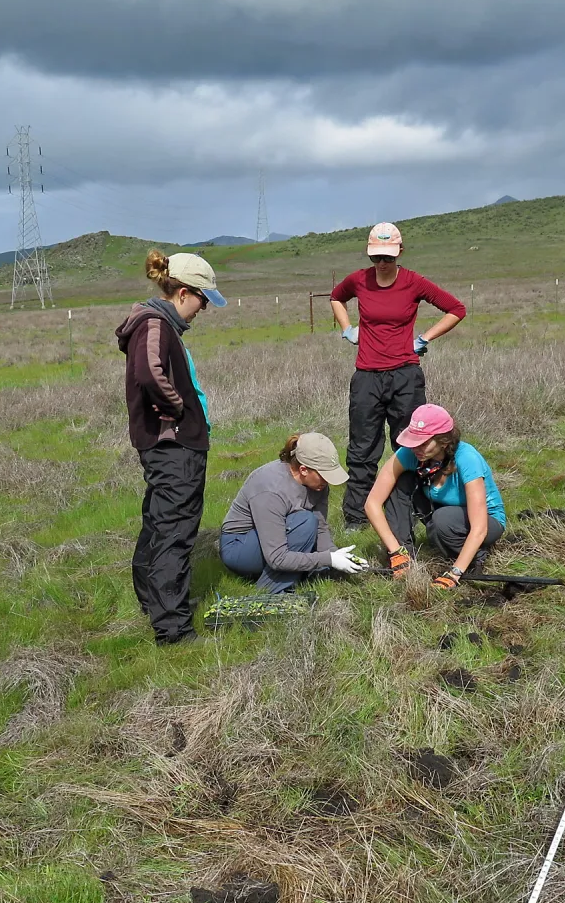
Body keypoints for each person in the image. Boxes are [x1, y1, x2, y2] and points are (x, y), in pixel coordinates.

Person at [116, 249, 226, 645]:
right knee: (175, 533)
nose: (203, 310)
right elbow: (149, 373)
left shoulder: (157, 324)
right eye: (202, 300)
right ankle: (174, 629)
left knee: (159, 524)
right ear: (182, 293)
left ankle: (156, 603)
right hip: (173, 448)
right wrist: (178, 410)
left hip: (172, 447)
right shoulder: (155, 324)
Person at [329, 222, 466, 528]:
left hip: (405, 375)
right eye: (376, 257)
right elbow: (337, 297)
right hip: (367, 376)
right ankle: (356, 518)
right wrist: (347, 329)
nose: (382, 263)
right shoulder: (359, 280)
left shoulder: (413, 282)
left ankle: (419, 511)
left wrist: (425, 338)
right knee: (362, 448)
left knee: (414, 446)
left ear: (399, 252)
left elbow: (456, 309)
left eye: (388, 257)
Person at [364, 404, 506, 591]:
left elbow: (479, 528)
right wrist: (395, 551)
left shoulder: (467, 458)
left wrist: (454, 573)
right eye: (414, 441)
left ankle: (475, 557)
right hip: (441, 513)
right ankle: (406, 557)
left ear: (443, 441)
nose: (416, 448)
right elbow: (372, 503)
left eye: (423, 443)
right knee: (399, 483)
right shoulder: (410, 453)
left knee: (443, 521)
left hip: (487, 521)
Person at [220, 433, 367, 592]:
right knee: (305, 522)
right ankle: (272, 590)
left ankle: (302, 574)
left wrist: (336, 556)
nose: (328, 481)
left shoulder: (318, 484)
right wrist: (328, 559)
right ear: (303, 469)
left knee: (309, 522)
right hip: (239, 547)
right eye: (324, 475)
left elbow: (321, 527)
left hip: (276, 536)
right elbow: (277, 557)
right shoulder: (271, 489)